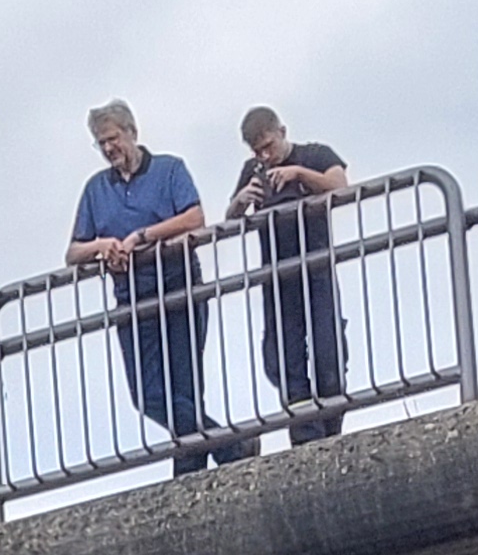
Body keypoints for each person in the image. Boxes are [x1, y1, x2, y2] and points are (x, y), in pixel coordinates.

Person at [69, 103, 245, 471]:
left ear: (132, 132)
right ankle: (231, 445)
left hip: (178, 288)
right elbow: (72, 251)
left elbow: (195, 217)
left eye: (112, 139)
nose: (108, 149)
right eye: (100, 143)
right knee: (149, 396)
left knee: (184, 388)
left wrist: (142, 237)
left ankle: (190, 468)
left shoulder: (169, 169)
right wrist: (104, 246)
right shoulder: (95, 190)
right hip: (132, 300)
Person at [228, 108, 352, 444]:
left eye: (269, 146)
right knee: (283, 360)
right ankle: (306, 439)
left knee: (330, 357)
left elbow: (340, 186)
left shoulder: (314, 154)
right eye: (258, 152)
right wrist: (241, 201)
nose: (266, 156)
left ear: (282, 131)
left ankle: (330, 429)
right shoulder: (252, 171)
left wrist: (298, 173)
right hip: (277, 279)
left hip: (317, 271)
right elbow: (229, 218)